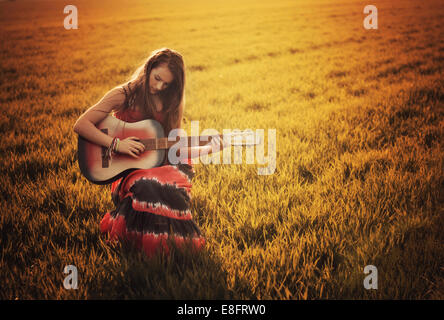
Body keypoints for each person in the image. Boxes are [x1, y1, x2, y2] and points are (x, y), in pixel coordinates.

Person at [73, 48, 226, 257]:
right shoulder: (124, 94)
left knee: (169, 183)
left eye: (167, 84)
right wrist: (117, 144)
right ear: (149, 67)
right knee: (148, 184)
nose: (159, 86)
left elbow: (174, 148)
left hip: (161, 164)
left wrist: (209, 148)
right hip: (127, 169)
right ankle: (138, 244)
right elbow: (81, 124)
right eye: (157, 78)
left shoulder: (170, 103)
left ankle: (172, 248)